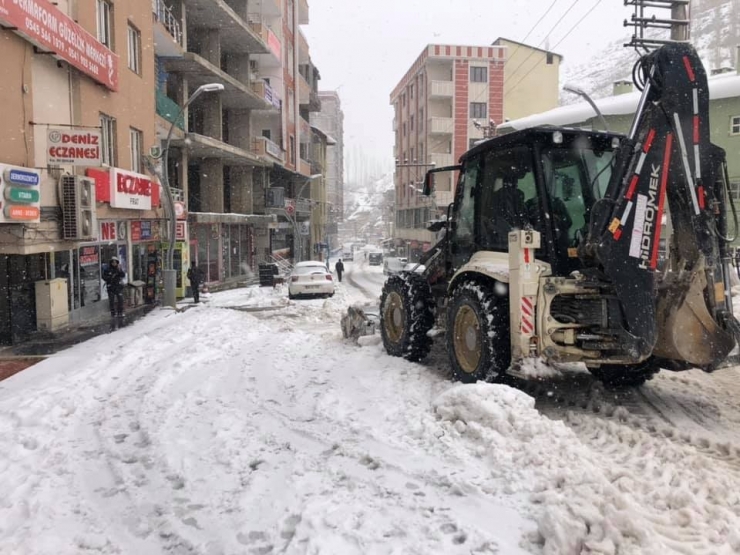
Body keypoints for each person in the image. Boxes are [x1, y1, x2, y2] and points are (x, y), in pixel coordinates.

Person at [103, 257, 126, 322]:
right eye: (113, 262)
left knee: (120, 299)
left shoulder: (118, 269)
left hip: (118, 286)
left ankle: (120, 312)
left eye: (115, 262)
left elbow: (123, 275)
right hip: (111, 287)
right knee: (111, 300)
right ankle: (113, 313)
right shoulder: (107, 269)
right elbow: (104, 277)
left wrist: (119, 270)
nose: (114, 263)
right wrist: (110, 278)